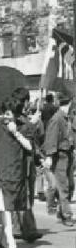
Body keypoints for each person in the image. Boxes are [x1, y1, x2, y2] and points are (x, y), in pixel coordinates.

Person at [0, 98, 34, 248]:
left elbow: (30, 147)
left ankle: (2, 240)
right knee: (6, 206)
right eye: (5, 113)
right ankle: (10, 239)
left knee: (11, 207)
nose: (6, 117)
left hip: (18, 173)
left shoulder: (23, 127)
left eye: (10, 114)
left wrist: (16, 133)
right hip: (1, 172)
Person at [10, 87, 44, 241]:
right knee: (26, 195)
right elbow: (28, 140)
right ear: (24, 101)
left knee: (21, 195)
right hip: (22, 161)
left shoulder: (18, 117)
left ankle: (17, 228)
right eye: (27, 100)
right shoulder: (19, 119)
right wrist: (33, 123)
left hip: (22, 161)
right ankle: (29, 229)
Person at [43, 94, 75, 226]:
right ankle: (67, 215)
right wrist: (50, 156)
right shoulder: (57, 119)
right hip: (60, 155)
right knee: (63, 186)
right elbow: (51, 137)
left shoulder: (67, 117)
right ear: (70, 102)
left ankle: (61, 211)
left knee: (70, 185)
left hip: (68, 153)